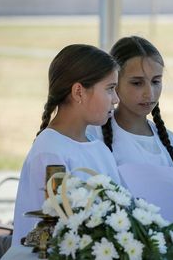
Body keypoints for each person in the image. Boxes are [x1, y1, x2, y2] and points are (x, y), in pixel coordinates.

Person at [13, 44, 121, 244]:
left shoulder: (97, 147)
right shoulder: (51, 154)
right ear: (79, 92)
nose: (116, 99)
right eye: (110, 89)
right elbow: (49, 235)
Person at [86, 36, 173, 175]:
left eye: (155, 81)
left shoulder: (170, 140)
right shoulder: (92, 136)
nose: (149, 93)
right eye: (137, 83)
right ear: (115, 82)